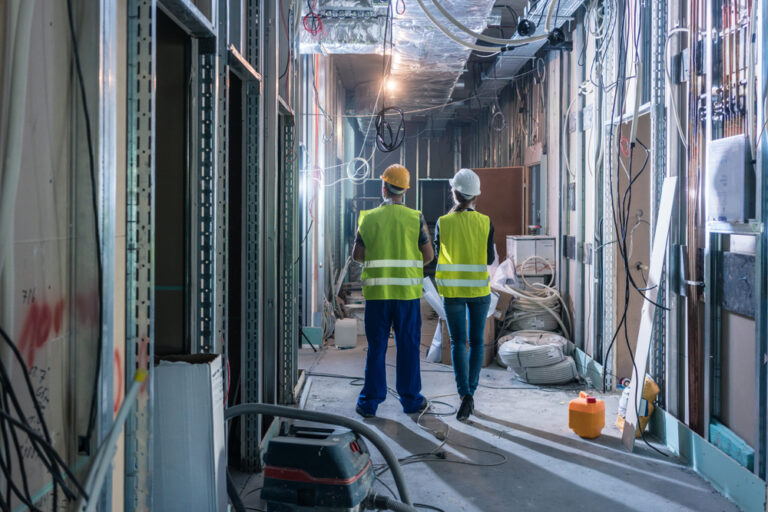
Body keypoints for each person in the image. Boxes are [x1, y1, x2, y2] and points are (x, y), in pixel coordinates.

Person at [352, 164, 434, 418]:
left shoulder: (368, 217)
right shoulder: (415, 218)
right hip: (407, 296)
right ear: (405, 191)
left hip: (377, 296)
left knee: (376, 348)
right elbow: (429, 256)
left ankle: (369, 403)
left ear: (383, 187)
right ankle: (411, 401)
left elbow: (357, 256)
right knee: (408, 346)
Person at [434, 168, 494, 421]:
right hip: (480, 290)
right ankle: (472, 392)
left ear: (455, 193)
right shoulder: (486, 222)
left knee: (459, 342)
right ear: (475, 196)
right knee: (477, 341)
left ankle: (464, 394)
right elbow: (490, 258)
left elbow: (437, 254)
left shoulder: (443, 222)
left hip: (453, 291)